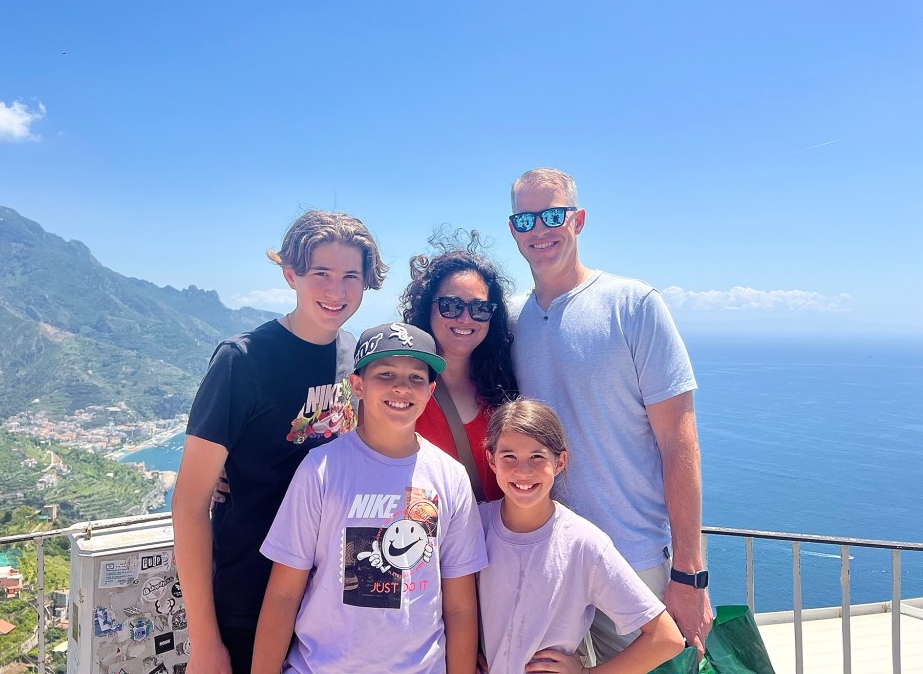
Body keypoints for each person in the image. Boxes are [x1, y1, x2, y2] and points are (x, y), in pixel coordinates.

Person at [507, 168, 712, 662]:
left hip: (633, 558)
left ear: (577, 220)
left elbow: (679, 441)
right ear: (513, 230)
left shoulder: (633, 305)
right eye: (526, 219)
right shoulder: (511, 319)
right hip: (548, 556)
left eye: (552, 215)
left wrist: (689, 572)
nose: (539, 229)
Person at [172, 210, 387, 674]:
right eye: (321, 273)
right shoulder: (242, 361)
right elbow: (188, 503)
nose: (336, 291)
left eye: (350, 276)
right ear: (291, 275)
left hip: (328, 602)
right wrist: (205, 643)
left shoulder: (353, 355)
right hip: (248, 596)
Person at [253, 322, 488, 674]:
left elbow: (460, 607)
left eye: (415, 377)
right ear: (357, 385)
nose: (401, 387)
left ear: (430, 390)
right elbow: (284, 595)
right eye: (386, 374)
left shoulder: (450, 477)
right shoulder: (321, 470)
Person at [478, 398, 684, 674]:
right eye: (509, 456)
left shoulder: (584, 544)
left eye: (537, 456)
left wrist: (587, 673)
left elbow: (666, 638)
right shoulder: (474, 525)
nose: (523, 470)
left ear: (560, 461)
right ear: (491, 460)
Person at [400, 231, 518, 501]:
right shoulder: (401, 387)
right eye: (451, 306)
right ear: (427, 307)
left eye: (479, 308)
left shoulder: (503, 386)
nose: (466, 318)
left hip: (496, 528)